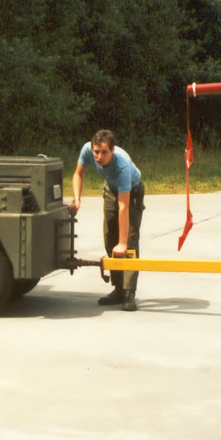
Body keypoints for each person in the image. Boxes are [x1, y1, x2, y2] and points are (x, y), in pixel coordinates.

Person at [68, 129, 145, 311]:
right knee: (110, 236)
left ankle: (128, 293)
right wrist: (77, 200)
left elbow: (123, 207)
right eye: (97, 152)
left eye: (104, 152)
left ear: (112, 150)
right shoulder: (88, 150)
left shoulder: (122, 165)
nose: (99, 156)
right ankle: (118, 289)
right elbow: (78, 173)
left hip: (131, 192)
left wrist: (123, 242)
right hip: (110, 188)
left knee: (129, 241)